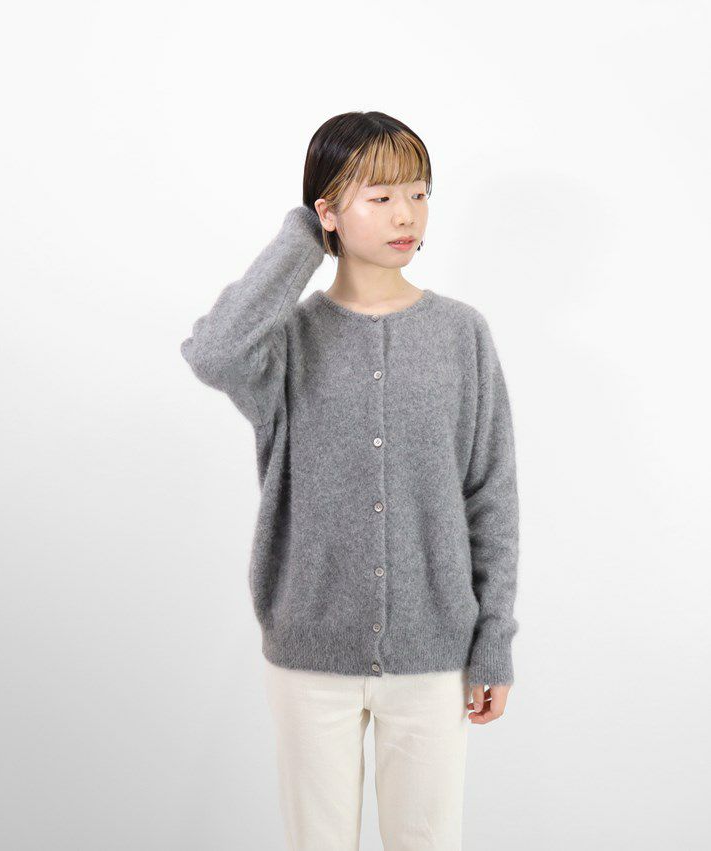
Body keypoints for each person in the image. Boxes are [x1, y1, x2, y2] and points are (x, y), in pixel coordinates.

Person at [180, 110, 520, 850]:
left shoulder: (461, 333)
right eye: (381, 196)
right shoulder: (284, 343)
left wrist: (493, 638)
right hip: (309, 650)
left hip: (434, 652)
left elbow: (489, 492)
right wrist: (305, 236)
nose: (406, 215)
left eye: (419, 193)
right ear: (328, 210)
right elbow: (212, 353)